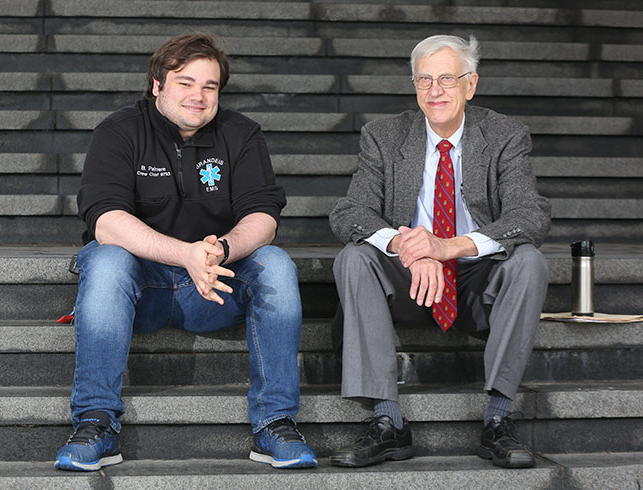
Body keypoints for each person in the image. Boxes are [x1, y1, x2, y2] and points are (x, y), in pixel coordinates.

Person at [54, 33, 317, 472]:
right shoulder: (119, 132)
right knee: (106, 258)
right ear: (157, 85)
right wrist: (185, 254)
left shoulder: (241, 134)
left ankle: (276, 422)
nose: (198, 96)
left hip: (214, 288)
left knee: (276, 263)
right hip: (142, 291)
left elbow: (264, 216)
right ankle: (96, 422)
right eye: (185, 82)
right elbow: (105, 220)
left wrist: (223, 248)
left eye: (209, 86)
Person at [328, 34, 551, 469]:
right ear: (414, 86)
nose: (435, 91)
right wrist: (407, 246)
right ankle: (387, 421)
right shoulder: (384, 136)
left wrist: (447, 247)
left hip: (476, 280)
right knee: (353, 257)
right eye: (424, 80)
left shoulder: (505, 134)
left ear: (471, 85)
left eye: (447, 79)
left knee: (529, 261)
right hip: (408, 282)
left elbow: (530, 215)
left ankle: (498, 420)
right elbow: (349, 212)